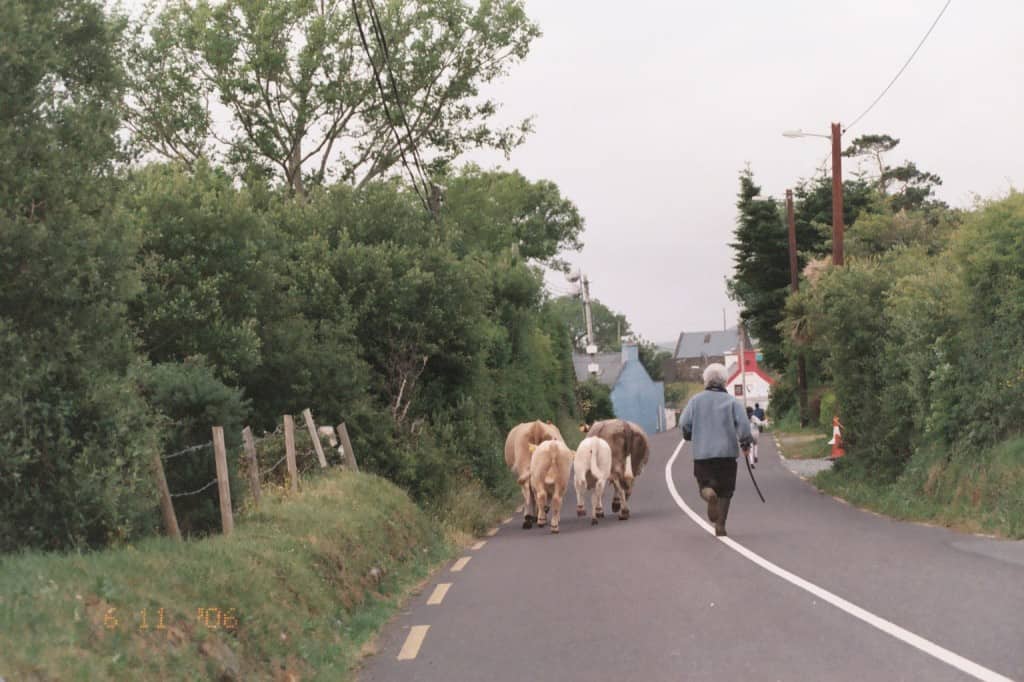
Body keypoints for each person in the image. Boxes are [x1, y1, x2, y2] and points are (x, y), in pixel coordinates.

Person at [679, 363, 752, 536]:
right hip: (726, 455)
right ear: (725, 381)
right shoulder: (732, 402)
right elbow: (744, 426)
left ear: (706, 380)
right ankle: (720, 526)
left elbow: (684, 423)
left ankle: (709, 494)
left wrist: (689, 434)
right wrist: (745, 443)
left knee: (704, 485)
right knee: (726, 491)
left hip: (703, 454)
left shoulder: (695, 401)